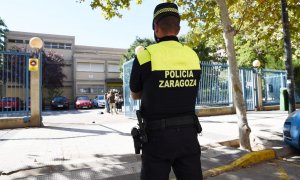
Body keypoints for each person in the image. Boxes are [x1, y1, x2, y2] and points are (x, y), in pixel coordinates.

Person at [129, 2, 203, 180]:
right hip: (188, 136)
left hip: (156, 138)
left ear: (156, 27)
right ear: (178, 28)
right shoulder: (192, 55)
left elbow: (135, 94)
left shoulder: (145, 55)